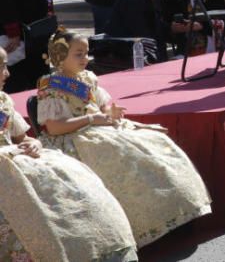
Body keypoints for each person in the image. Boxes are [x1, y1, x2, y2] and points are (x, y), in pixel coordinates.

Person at [36, 31, 212, 247]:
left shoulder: (88, 77)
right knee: (122, 155)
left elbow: (103, 105)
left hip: (99, 128)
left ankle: (173, 212)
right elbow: (54, 128)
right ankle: (144, 224)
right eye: (78, 54)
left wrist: (111, 111)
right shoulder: (50, 85)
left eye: (86, 53)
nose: (85, 59)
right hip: (73, 138)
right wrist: (91, 118)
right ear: (60, 55)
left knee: (152, 142)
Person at [0, 47, 139, 262]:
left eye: (6, 66)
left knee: (71, 185)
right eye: (1, 67)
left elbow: (23, 138)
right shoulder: (51, 85)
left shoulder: (3, 101)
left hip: (19, 162)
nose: (7, 73)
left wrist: (34, 144)